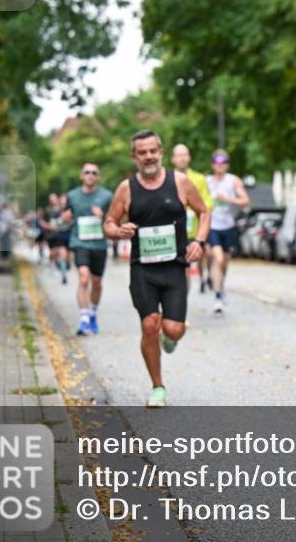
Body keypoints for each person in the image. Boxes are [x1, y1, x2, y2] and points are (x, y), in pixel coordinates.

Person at [103, 130, 209, 408]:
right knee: (150, 325)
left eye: (153, 151)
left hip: (174, 268)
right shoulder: (126, 188)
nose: (148, 156)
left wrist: (199, 241)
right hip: (143, 270)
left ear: (161, 152)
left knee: (172, 330)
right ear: (134, 156)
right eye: (142, 152)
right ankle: (158, 387)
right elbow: (109, 223)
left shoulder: (180, 182)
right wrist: (118, 231)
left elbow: (204, 212)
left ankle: (170, 338)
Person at [62, 163, 114, 336]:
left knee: (97, 282)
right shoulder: (72, 196)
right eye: (87, 172)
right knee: (84, 278)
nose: (90, 175)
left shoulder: (107, 196)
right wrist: (65, 218)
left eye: (94, 173)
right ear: (81, 175)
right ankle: (83, 317)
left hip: (99, 244)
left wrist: (104, 216)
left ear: (98, 177)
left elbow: (115, 219)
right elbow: (66, 218)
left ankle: (92, 312)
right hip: (80, 242)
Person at [204, 149, 249, 315]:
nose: (220, 167)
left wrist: (229, 199)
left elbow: (245, 201)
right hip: (213, 226)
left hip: (228, 227)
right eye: (217, 164)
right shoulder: (206, 181)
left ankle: (219, 285)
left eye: (223, 164)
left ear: (227, 165)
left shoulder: (233, 181)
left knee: (225, 263)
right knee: (218, 257)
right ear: (212, 166)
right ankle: (217, 296)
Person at [170, 144, 214, 295]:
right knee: (183, 271)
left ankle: (204, 278)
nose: (182, 158)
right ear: (172, 159)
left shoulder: (199, 179)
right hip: (175, 233)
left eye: (185, 154)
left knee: (206, 254)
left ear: (189, 157)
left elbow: (207, 205)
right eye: (179, 155)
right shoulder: (167, 179)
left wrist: (191, 206)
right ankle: (180, 303)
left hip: (195, 231)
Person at [41, 193, 72, 284]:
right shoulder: (51, 211)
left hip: (69, 235)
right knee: (58, 253)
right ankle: (63, 275)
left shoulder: (71, 209)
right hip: (56, 236)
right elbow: (45, 221)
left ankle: (62, 265)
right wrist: (50, 226)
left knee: (67, 256)